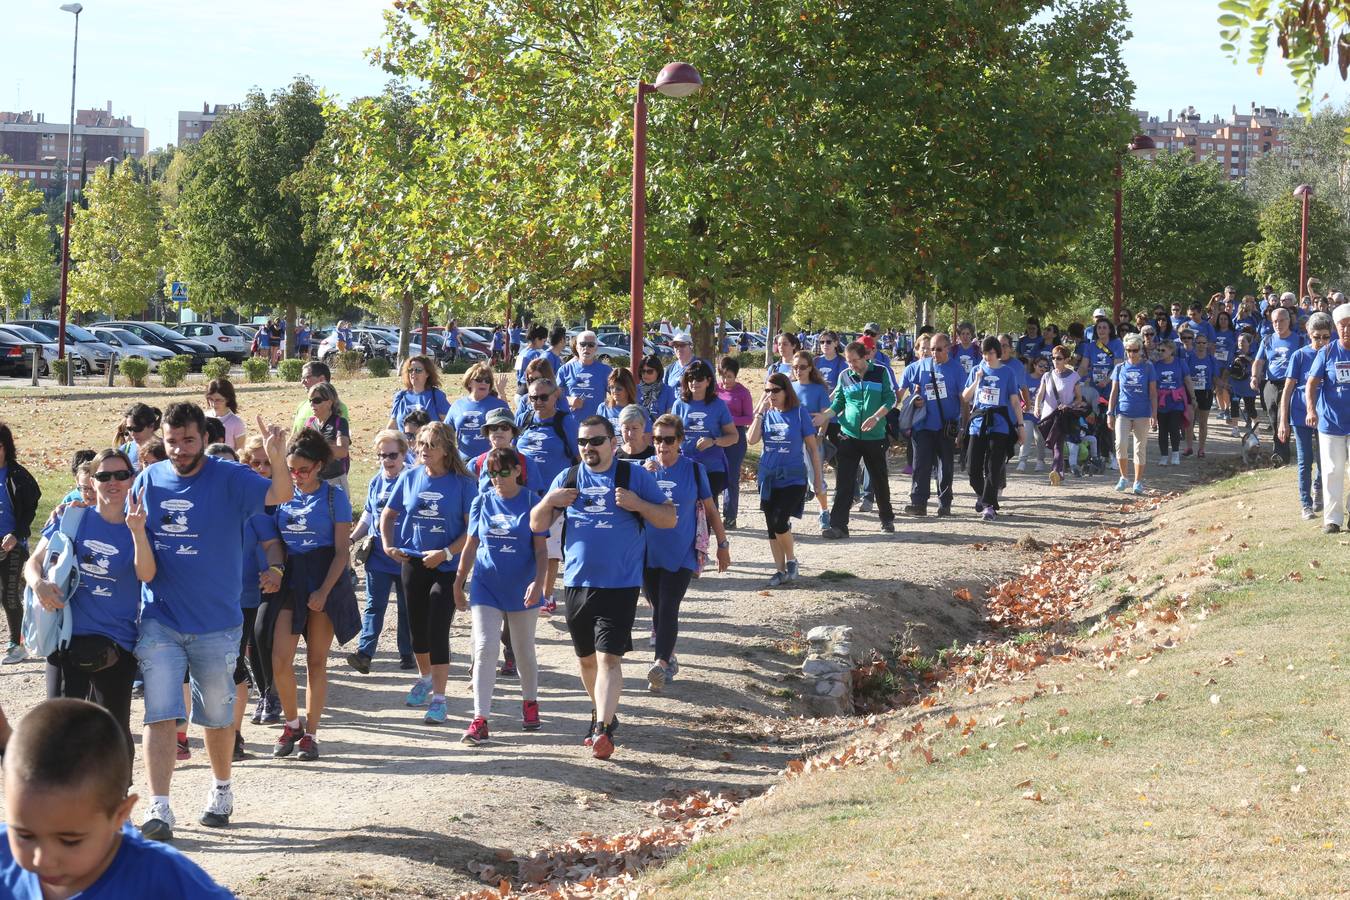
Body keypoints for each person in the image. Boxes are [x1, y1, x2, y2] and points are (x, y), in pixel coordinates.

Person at [131, 402, 291, 840]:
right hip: (160, 618)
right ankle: (159, 807)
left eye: (187, 440)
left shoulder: (231, 478)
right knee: (160, 714)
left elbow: (280, 495)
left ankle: (222, 788)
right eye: (171, 441)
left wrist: (277, 454)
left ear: (204, 437)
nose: (180, 449)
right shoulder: (149, 479)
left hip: (216, 623)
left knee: (216, 718)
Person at [529, 416, 675, 760]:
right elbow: (535, 524)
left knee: (609, 658)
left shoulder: (633, 476)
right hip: (577, 582)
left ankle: (602, 729)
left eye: (596, 441)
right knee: (586, 661)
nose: (588, 448)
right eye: (582, 442)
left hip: (620, 583)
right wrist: (550, 500)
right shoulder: (568, 478)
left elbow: (669, 518)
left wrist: (639, 504)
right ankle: (601, 713)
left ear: (612, 442)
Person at [0, 699, 233, 898]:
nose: (43, 860)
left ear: (121, 815)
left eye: (69, 840)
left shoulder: (162, 879)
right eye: (24, 835)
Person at [23, 449, 152, 756]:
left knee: (113, 730)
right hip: (65, 635)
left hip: (117, 641)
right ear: (92, 482)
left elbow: (146, 574)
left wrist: (136, 533)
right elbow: (33, 563)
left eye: (121, 475)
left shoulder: (141, 524)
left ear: (132, 479)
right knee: (57, 727)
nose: (113, 482)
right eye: (104, 476)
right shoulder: (72, 518)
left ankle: (116, 797)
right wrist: (38, 584)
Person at [268, 429, 357, 763]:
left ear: (319, 466)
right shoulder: (282, 495)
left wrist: (323, 591)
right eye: (292, 469)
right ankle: (292, 723)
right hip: (291, 579)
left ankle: (311, 734)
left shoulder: (335, 498)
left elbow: (341, 553)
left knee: (316, 661)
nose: (297, 476)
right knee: (279, 660)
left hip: (324, 578)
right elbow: (273, 539)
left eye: (303, 470)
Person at [380, 422, 476, 725]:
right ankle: (424, 679)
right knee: (417, 629)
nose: (424, 450)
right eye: (420, 443)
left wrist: (447, 553)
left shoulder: (463, 483)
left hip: (446, 566)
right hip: (414, 562)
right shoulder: (409, 477)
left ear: (447, 449)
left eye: (431, 445)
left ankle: (440, 699)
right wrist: (388, 545)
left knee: (437, 628)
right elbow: (388, 514)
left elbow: (471, 530)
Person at [454, 447, 548, 744]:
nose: (497, 479)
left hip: (522, 586)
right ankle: (480, 719)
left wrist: (539, 583)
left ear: (518, 471)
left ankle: (530, 702)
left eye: (503, 472)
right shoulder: (482, 501)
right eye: (491, 473)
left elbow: (542, 550)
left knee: (523, 650)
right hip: (486, 584)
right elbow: (470, 546)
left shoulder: (533, 502)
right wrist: (459, 583)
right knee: (484, 647)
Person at [642, 414, 730, 691]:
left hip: (681, 552)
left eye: (669, 440)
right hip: (647, 552)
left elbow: (711, 509)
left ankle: (661, 665)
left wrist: (723, 545)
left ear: (680, 441)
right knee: (656, 607)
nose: (663, 445)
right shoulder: (643, 471)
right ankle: (669, 655)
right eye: (658, 439)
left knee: (669, 606)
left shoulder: (693, 470)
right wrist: (643, 475)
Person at [349, 430, 416, 674]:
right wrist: (353, 537)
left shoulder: (413, 479)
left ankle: (407, 653)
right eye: (381, 455)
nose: (386, 460)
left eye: (392, 455)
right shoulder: (376, 481)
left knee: (406, 606)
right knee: (374, 605)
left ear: (404, 454)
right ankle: (365, 653)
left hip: (406, 554)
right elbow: (368, 514)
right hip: (378, 553)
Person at [749, 373, 823, 584]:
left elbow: (812, 449)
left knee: (779, 520)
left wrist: (817, 480)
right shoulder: (765, 414)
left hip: (793, 478)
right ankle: (780, 572)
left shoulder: (799, 413)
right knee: (771, 526)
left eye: (775, 391)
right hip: (768, 477)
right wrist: (760, 414)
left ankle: (791, 561)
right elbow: (752, 439)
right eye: (767, 391)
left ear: (786, 391)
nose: (771, 395)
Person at [515, 377, 579, 608]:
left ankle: (547, 595)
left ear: (556, 396)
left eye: (544, 397)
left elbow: (578, 456)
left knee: (550, 548)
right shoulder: (524, 419)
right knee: (524, 544)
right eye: (533, 397)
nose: (538, 402)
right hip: (524, 495)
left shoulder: (565, 422)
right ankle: (525, 588)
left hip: (554, 496)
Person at [822, 341, 895, 538]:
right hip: (849, 435)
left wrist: (876, 417)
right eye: (848, 361)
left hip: (875, 436)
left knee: (879, 480)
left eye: (855, 360)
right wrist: (825, 415)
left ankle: (886, 519)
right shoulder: (844, 376)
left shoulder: (880, 372)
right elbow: (838, 402)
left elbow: (891, 399)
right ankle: (838, 525)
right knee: (845, 480)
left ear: (865, 357)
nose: (851, 365)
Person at [901, 332, 965, 515]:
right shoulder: (921, 367)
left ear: (948, 349)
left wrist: (962, 427)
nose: (934, 353)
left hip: (946, 426)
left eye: (938, 349)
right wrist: (916, 399)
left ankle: (944, 503)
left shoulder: (956, 369)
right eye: (931, 349)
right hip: (923, 425)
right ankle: (918, 502)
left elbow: (964, 400)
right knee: (921, 465)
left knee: (945, 466)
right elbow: (909, 393)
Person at [963, 336, 1026, 519]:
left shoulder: (1008, 373)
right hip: (978, 423)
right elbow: (966, 397)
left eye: (990, 352)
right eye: (984, 353)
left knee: (993, 466)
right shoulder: (977, 370)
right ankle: (984, 497)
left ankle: (988, 506)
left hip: (999, 424)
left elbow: (1015, 402)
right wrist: (976, 381)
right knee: (972, 467)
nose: (987, 356)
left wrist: (1020, 426)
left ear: (997, 353)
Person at [1280, 313, 1332, 520]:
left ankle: (1318, 489)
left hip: (1326, 415)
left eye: (1325, 337)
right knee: (1304, 460)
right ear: (1309, 334)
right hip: (1301, 413)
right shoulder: (1300, 356)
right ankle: (1305, 503)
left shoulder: (1332, 353)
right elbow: (1287, 389)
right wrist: (1282, 421)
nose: (1320, 342)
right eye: (1316, 336)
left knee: (1323, 459)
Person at [1303, 302, 1350, 533]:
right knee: (1332, 470)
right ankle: (1332, 520)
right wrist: (1311, 410)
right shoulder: (1327, 352)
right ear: (1335, 328)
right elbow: (1311, 384)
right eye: (1342, 325)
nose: (1346, 330)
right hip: (1331, 422)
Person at [0, 423, 41, 666]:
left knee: (9, 595)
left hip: (13, 544)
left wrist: (17, 534)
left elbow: (31, 506)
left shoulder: (18, 476)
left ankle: (17, 644)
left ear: (4, 447)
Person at [671, 360, 738, 509]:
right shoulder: (679, 404)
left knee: (705, 504)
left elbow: (734, 436)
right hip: (687, 464)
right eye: (690, 379)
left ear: (708, 381)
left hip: (712, 466)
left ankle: (711, 531)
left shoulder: (718, 405)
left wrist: (714, 441)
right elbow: (672, 435)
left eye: (699, 379)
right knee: (690, 507)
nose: (694, 382)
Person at [1253, 307, 1306, 465]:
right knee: (1273, 418)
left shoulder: (1299, 340)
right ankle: (1279, 451)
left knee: (1285, 417)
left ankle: (1281, 455)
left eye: (1282, 320)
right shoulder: (1267, 340)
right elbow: (1259, 361)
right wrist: (1254, 377)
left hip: (1290, 384)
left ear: (1289, 321)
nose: (1278, 324)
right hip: (1271, 384)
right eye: (1275, 321)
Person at [1107, 334, 1158, 496]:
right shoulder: (1119, 368)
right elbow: (1114, 392)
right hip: (1122, 412)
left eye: (1135, 350)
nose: (1132, 353)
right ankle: (1123, 477)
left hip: (1142, 413)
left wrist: (1154, 414)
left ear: (1140, 350)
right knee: (1120, 444)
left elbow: (1153, 393)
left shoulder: (1148, 367)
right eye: (1129, 350)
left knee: (1139, 447)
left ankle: (1138, 481)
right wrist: (1110, 413)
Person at [790, 351, 832, 527]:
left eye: (802, 367)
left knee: (816, 477)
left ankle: (824, 511)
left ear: (810, 368)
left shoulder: (818, 389)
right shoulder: (789, 387)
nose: (798, 370)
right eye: (795, 367)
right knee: (791, 479)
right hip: (792, 441)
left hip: (813, 439)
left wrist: (821, 435)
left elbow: (825, 416)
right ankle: (787, 518)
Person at [1035, 345, 1085, 483]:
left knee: (1057, 443)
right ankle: (1060, 472)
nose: (1055, 361)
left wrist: (1069, 406)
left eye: (1059, 358)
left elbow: (1079, 398)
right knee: (1052, 443)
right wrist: (1036, 407)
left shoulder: (1074, 376)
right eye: (1053, 357)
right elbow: (1040, 393)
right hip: (1047, 416)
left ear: (1066, 359)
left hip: (1062, 416)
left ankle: (1056, 471)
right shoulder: (1047, 375)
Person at [716, 356, 754, 529]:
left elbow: (748, 418)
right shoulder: (714, 390)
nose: (726, 380)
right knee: (715, 475)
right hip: (716, 436)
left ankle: (730, 516)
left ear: (736, 375)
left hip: (736, 437)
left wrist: (729, 420)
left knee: (731, 477)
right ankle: (712, 513)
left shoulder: (742, 392)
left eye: (729, 376)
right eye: (723, 376)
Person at [446, 363, 509, 463]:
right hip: (463, 462)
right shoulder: (458, 405)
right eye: (479, 379)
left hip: (491, 461)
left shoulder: (499, 405)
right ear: (469, 382)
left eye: (487, 380)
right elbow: (445, 432)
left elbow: (510, 434)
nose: (483, 383)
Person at [1152, 338, 1194, 468]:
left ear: (1171, 350)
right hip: (1162, 401)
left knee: (1174, 427)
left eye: (1163, 350)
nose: (1160, 352)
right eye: (1158, 350)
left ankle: (1175, 453)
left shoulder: (1180, 363)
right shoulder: (1156, 365)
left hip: (1176, 400)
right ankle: (1164, 455)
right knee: (1162, 429)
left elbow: (1187, 380)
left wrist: (1193, 398)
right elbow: (1152, 385)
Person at [305, 381, 351, 496]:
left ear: (329, 402)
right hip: (313, 480)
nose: (312, 404)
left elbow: (342, 451)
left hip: (334, 481)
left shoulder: (339, 422)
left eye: (317, 401)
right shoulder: (309, 424)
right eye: (310, 400)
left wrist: (316, 446)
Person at [559, 331, 614, 421]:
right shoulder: (565, 370)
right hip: (571, 424)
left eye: (591, 345)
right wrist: (569, 400)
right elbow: (554, 397)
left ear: (596, 348)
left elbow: (617, 395)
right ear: (577, 347)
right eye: (583, 344)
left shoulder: (606, 370)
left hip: (596, 424)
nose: (586, 348)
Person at [387, 355, 451, 430]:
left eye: (418, 370)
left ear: (427, 373)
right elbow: (391, 427)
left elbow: (448, 426)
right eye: (410, 370)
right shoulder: (400, 396)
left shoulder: (437, 395)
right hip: (405, 441)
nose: (413, 373)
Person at [1186, 333, 1221, 458]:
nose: (1201, 345)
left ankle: (1201, 449)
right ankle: (1189, 447)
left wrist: (1222, 386)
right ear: (1195, 344)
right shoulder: (1189, 357)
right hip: (1191, 392)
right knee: (1190, 421)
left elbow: (1215, 377)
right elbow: (1185, 376)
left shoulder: (1211, 359)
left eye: (1203, 343)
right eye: (1198, 342)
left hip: (1206, 392)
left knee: (1203, 422)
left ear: (1207, 345)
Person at [290, 362, 349, 436]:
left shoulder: (339, 407)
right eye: (302, 378)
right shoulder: (302, 406)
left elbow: (340, 442)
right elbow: (294, 436)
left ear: (322, 379)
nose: (302, 382)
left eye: (307, 377)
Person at [203, 380, 246, 451]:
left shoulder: (236, 423)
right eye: (210, 399)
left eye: (218, 400)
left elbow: (240, 452)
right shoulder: (203, 417)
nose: (213, 404)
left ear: (228, 399)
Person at [599, 367, 640, 435]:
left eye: (619, 388)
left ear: (628, 389)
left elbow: (645, 439)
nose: (614, 391)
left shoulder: (639, 411)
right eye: (611, 387)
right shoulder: (603, 408)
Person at [636, 355, 676, 422]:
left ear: (658, 372)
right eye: (643, 371)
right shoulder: (635, 390)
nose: (645, 374)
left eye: (649, 371)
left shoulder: (668, 391)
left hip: (659, 430)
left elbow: (670, 419)